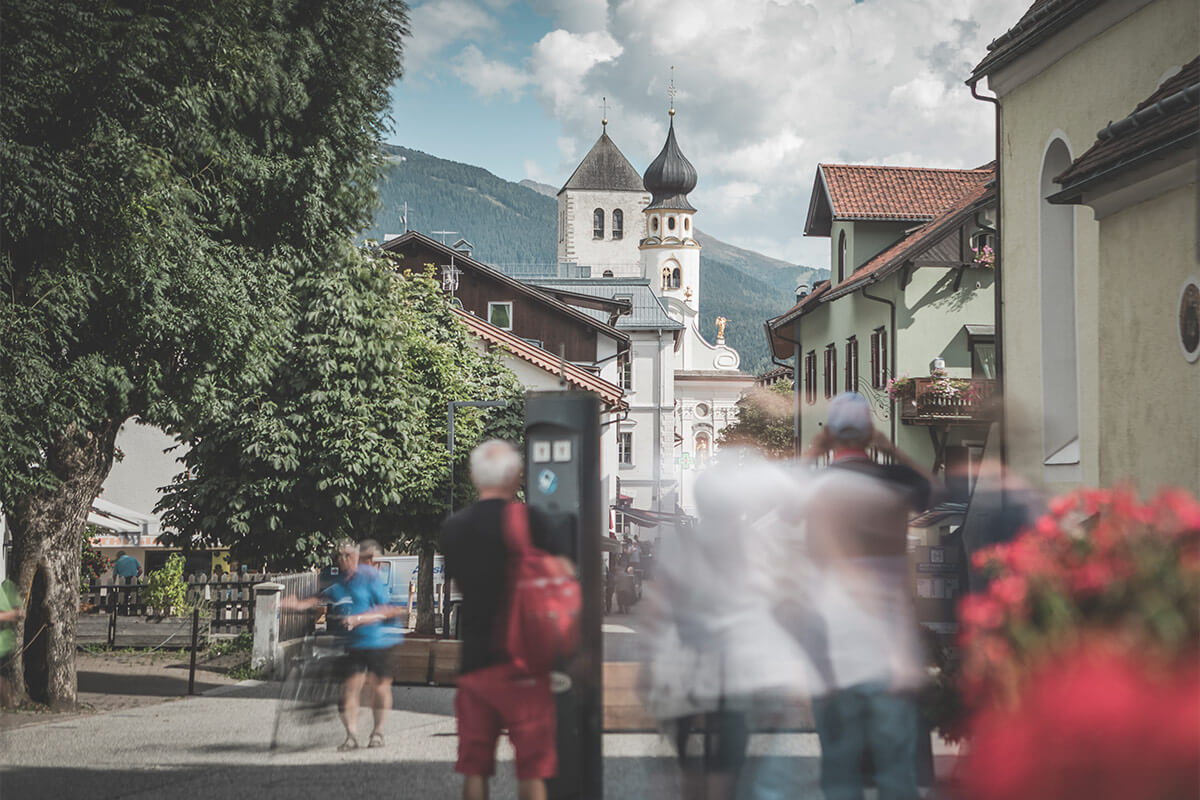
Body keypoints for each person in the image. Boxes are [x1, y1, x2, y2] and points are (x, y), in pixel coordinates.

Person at [802, 392, 932, 800]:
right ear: (869, 433)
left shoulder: (815, 484)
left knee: (840, 767)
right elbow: (931, 489)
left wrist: (813, 452)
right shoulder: (895, 483)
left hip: (831, 646)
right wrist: (890, 448)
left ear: (830, 438)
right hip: (889, 644)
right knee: (896, 767)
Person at [439, 440, 568, 800]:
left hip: (476, 662)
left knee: (474, 767)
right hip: (526, 663)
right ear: (515, 476)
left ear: (474, 477)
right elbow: (564, 577)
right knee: (532, 768)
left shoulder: (454, 528)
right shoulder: (533, 521)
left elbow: (461, 579)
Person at [286, 540, 402, 750]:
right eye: (340, 556)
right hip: (352, 643)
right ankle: (351, 736)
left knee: (380, 688)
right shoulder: (337, 581)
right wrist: (297, 604)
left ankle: (377, 733)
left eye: (348, 555)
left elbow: (388, 609)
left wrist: (358, 619)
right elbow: (319, 596)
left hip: (378, 641)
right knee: (348, 690)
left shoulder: (369, 577)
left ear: (356, 556)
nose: (344, 559)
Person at [0, 579, 22, 707]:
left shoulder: (6, 587)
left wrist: (14, 614)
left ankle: (10, 702)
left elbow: (18, 613)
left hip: (3, 644)